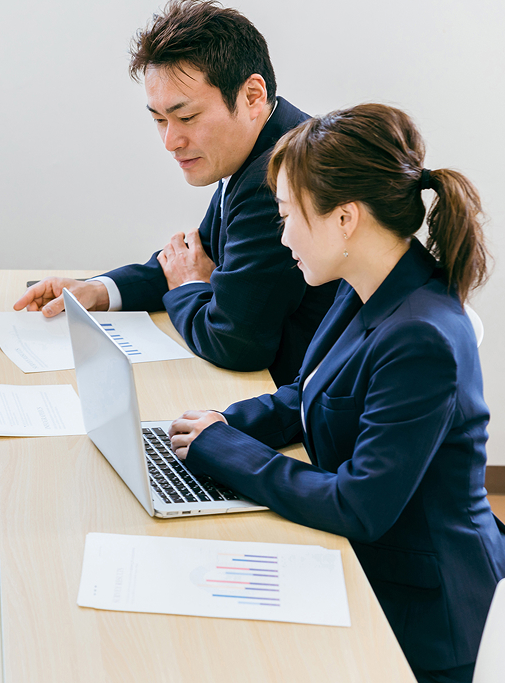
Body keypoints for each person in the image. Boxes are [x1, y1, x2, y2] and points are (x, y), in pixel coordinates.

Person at [168, 103, 504, 683]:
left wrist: (225, 450)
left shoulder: (421, 335)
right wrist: (218, 424)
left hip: (424, 615)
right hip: (373, 563)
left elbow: (359, 505)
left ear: (345, 218)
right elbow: (303, 396)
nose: (281, 236)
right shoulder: (366, 283)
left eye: (287, 215)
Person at [15, 0, 338, 386]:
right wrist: (99, 291)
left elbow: (235, 342)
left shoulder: (276, 174)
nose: (171, 141)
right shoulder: (267, 142)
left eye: (187, 117)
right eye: (159, 120)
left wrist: (190, 287)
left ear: (253, 96)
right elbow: (193, 255)